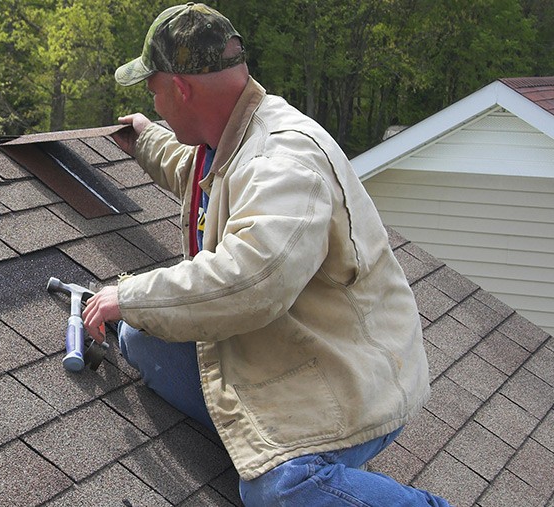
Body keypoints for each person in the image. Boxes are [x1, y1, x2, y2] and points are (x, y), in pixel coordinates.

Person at [81, 3, 448, 506]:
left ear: (181, 87)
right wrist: (146, 138)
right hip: (285, 339)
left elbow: (252, 281)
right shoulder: (230, 134)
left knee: (276, 490)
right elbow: (199, 171)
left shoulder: (285, 160)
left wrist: (127, 293)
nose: (156, 100)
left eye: (154, 88)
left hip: (346, 372)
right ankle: (258, 434)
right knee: (142, 337)